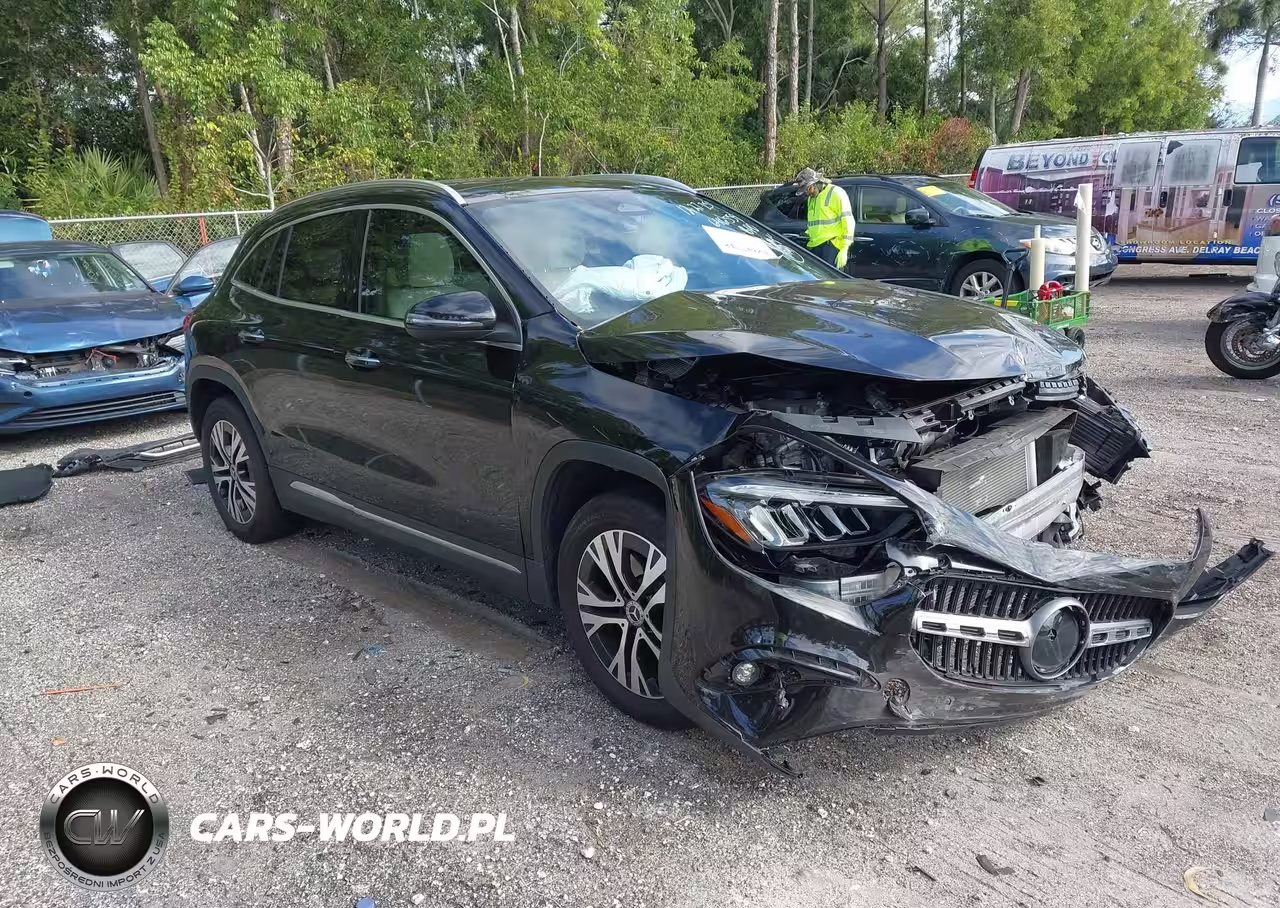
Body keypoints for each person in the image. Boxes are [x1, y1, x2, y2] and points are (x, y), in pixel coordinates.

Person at [793, 167, 854, 270]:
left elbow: (848, 221)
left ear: (816, 183)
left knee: (829, 284)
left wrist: (844, 248)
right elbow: (815, 222)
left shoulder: (836, 193)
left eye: (808, 188)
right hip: (815, 246)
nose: (807, 193)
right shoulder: (811, 199)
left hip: (831, 247)